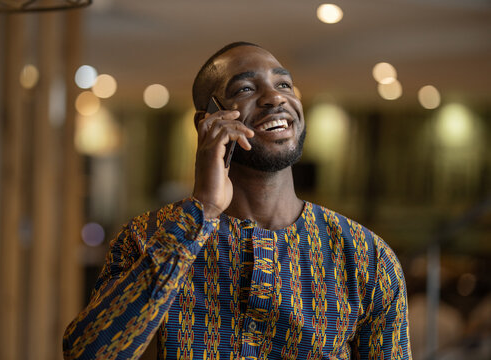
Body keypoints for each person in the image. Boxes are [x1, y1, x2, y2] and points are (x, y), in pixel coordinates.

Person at [63, 42, 412, 360]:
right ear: (209, 121)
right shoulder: (147, 237)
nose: (275, 98)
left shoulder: (367, 257)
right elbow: (88, 355)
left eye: (284, 85)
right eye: (246, 88)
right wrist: (203, 211)